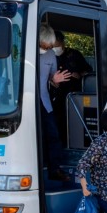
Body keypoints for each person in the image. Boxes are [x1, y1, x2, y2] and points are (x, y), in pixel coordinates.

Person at [39, 24, 72, 181]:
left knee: (53, 135)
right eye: (45, 45)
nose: (48, 48)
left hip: (44, 101)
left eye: (50, 46)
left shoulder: (51, 55)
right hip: (23, 101)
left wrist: (55, 80)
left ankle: (55, 170)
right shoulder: (22, 49)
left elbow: (54, 81)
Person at [51, 30, 93, 142]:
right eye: (53, 45)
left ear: (62, 42)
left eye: (57, 45)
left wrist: (80, 75)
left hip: (74, 95)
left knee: (74, 122)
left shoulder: (74, 54)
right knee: (57, 122)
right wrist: (52, 80)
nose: (55, 48)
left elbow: (88, 71)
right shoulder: (49, 55)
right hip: (55, 96)